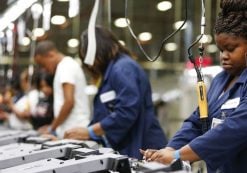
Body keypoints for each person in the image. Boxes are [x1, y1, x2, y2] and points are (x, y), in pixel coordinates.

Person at [141, 0, 247, 172]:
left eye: (231, 48)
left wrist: (178, 156)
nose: (224, 56)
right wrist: (170, 149)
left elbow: (235, 128)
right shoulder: (220, 80)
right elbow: (197, 120)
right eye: (221, 50)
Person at [64, 26, 167, 159]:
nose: (91, 65)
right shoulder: (112, 71)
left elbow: (126, 111)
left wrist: (89, 132)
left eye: (91, 59)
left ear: (101, 50)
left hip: (143, 146)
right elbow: (105, 114)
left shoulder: (123, 68)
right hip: (130, 145)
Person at [34, 40, 90, 138]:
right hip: (71, 130)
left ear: (51, 55)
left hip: (75, 130)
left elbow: (69, 102)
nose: (44, 69)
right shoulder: (64, 67)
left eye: (43, 64)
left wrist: (52, 128)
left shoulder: (66, 67)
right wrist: (52, 126)